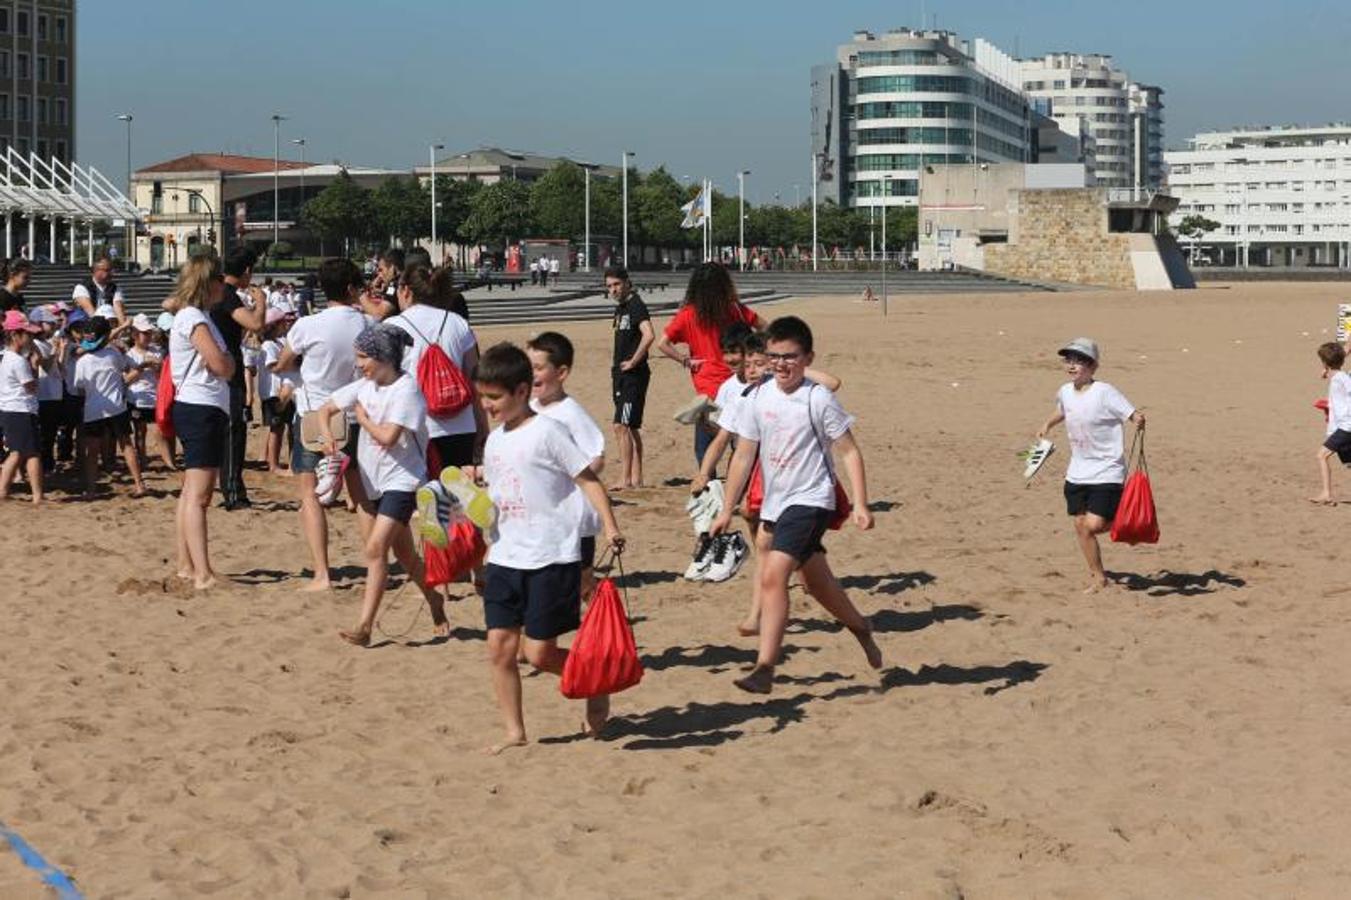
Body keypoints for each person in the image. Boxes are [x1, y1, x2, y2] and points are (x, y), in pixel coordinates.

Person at [710, 316, 881, 695]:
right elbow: (743, 457)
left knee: (773, 574)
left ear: (807, 358)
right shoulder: (758, 397)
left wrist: (861, 503)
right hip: (776, 502)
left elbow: (849, 451)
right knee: (818, 584)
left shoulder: (817, 398)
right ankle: (861, 627)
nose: (781, 364)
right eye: (774, 356)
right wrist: (726, 509)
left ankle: (765, 667)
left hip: (812, 499)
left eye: (790, 357)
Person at [475, 342, 624, 752]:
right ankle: (514, 732)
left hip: (551, 555)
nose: (487, 406)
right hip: (505, 555)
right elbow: (497, 496)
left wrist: (609, 526)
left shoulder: (548, 431)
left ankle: (595, 683)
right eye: (483, 397)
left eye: (495, 397)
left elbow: (588, 479)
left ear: (522, 391)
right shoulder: (494, 441)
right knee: (500, 650)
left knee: (539, 654)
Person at [316, 323, 448, 645]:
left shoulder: (407, 390)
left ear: (384, 357)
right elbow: (326, 408)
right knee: (404, 555)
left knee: (375, 549)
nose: (358, 364)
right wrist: (327, 434)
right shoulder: (365, 385)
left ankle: (364, 627)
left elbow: (389, 436)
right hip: (372, 479)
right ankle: (434, 599)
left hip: (404, 480)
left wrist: (361, 419)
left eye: (363, 357)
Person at [274, 258, 375, 592]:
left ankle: (322, 574)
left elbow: (285, 361)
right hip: (355, 413)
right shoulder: (367, 324)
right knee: (360, 496)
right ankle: (376, 565)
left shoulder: (308, 325)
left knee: (310, 495)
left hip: (315, 414)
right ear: (350, 288)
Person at [1035, 337, 1147, 593]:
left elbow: (1129, 412)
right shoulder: (1064, 391)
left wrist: (1137, 418)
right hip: (1077, 471)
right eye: (1069, 360)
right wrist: (1047, 424)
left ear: (1093, 366)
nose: (1073, 365)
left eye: (1080, 361)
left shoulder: (1105, 392)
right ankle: (1098, 577)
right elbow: (1064, 410)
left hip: (1107, 469)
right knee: (1080, 525)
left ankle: (1126, 520)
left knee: (1094, 525)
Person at [167, 255, 236, 590]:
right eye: (219, 279)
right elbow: (220, 366)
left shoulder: (196, 316)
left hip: (199, 405)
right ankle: (201, 572)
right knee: (200, 496)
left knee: (190, 492)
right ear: (208, 283)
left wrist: (226, 363)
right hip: (201, 406)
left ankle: (186, 565)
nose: (223, 284)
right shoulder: (194, 318)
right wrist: (228, 363)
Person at [655, 262, 766, 465]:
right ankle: (740, 483)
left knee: (704, 446)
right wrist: (755, 356)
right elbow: (764, 327)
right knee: (741, 443)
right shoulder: (734, 310)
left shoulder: (688, 314)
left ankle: (708, 485)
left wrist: (686, 361)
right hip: (738, 382)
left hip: (707, 387)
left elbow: (662, 343)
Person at [526, 331, 606, 602]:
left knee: (583, 580)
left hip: (576, 517)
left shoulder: (571, 413)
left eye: (538, 368)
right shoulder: (530, 407)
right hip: (545, 512)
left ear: (561, 373)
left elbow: (597, 456)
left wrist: (572, 477)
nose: (532, 375)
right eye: (529, 368)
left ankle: (599, 623)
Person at [386, 263, 484, 471]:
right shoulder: (458, 323)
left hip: (415, 427)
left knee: (421, 497)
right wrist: (481, 426)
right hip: (461, 425)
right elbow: (475, 380)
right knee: (457, 496)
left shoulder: (392, 326)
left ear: (405, 290)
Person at [209, 246, 267, 510]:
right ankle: (233, 492)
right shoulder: (229, 296)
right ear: (246, 271)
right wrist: (261, 302)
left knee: (228, 431)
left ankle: (230, 489)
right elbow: (255, 325)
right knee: (234, 432)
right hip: (229, 370)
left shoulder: (215, 292)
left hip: (217, 368)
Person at [72, 316, 145, 498]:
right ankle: (139, 484)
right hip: (116, 407)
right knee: (126, 444)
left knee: (92, 452)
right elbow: (124, 369)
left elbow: (79, 388)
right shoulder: (113, 354)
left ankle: (91, 489)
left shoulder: (83, 362)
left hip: (93, 409)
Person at [605, 266, 654, 489]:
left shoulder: (636, 305)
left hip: (633, 375)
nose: (613, 290)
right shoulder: (621, 308)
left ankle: (625, 478)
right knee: (631, 426)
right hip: (620, 374)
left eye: (616, 284)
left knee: (621, 425)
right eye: (609, 286)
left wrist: (634, 361)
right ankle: (636, 477)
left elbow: (649, 334)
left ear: (626, 282)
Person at [0, 310, 44, 502]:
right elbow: (31, 387)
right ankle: (37, 495)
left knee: (16, 453)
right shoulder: (18, 361)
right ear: (14, 335)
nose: (30, 337)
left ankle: (3, 491)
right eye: (27, 334)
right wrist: (34, 367)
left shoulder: (4, 356)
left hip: (11, 409)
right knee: (31, 454)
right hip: (21, 410)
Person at [259, 308, 298, 474]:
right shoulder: (268, 345)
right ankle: (273, 464)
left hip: (286, 391)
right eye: (283, 322)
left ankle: (292, 463)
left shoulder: (281, 341)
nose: (286, 324)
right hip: (274, 393)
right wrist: (294, 364)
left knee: (290, 427)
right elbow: (274, 366)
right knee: (276, 428)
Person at [1312, 341, 1351, 504]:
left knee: (1321, 455)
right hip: (1341, 426)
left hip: (1346, 426)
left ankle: (1326, 493)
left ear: (1325, 362)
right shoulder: (1338, 376)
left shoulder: (1342, 379)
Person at [124, 314, 164, 470]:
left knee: (161, 431)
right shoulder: (129, 355)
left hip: (156, 397)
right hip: (137, 398)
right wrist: (142, 366)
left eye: (149, 333)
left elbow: (163, 376)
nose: (148, 336)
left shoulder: (157, 351)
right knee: (140, 432)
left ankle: (167, 458)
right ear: (134, 334)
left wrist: (157, 367)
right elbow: (126, 380)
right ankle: (142, 460)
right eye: (144, 333)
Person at [72, 256, 127, 323]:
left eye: (111, 270)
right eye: (107, 270)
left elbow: (118, 309)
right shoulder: (81, 287)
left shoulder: (115, 288)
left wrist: (123, 326)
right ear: (95, 270)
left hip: (109, 325)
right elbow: (90, 312)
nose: (111, 273)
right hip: (86, 325)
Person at [363, 248, 403, 320]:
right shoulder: (403, 281)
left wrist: (360, 295)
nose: (379, 274)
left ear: (392, 268)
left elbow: (379, 314)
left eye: (381, 270)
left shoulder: (395, 284)